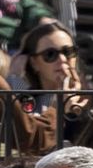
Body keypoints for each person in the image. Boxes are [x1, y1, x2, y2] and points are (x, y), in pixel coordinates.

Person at [7, 18, 85, 159]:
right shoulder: (28, 100)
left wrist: (73, 111)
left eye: (68, 52)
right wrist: (14, 78)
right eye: (50, 54)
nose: (62, 60)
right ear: (34, 63)